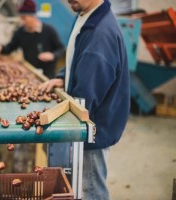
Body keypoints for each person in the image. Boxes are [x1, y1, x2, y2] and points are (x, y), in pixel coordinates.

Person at [39, 0, 130, 199]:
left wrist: (61, 123)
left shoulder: (100, 34)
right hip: (89, 121)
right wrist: (62, 77)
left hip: (94, 127)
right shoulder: (84, 16)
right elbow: (76, 58)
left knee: (91, 188)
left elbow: (86, 96)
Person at [0, 0, 65, 79]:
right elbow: (11, 47)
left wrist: (52, 55)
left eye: (24, 18)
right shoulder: (20, 32)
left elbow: (60, 48)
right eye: (21, 18)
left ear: (33, 16)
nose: (22, 21)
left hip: (47, 74)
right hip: (30, 74)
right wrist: (0, 47)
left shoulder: (49, 30)